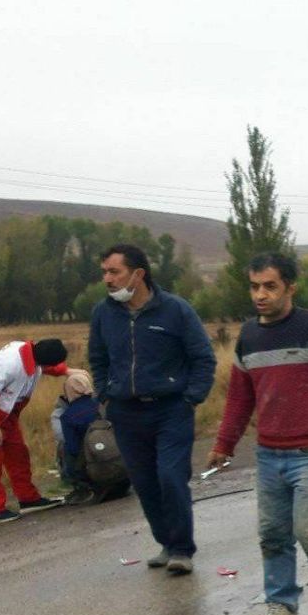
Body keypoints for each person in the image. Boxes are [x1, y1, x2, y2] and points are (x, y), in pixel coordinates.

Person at [207, 252, 308, 615]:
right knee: (273, 534)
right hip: (268, 454)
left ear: (290, 287)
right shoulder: (250, 335)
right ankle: (282, 607)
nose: (260, 294)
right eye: (254, 286)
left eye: (270, 286)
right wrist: (224, 443)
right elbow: (240, 398)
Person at [88, 243, 216, 575]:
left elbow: (203, 358)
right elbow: (98, 359)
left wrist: (192, 398)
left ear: (138, 274)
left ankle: (182, 549)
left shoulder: (175, 310)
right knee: (144, 482)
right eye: (104, 272)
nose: (107, 279)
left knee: (171, 477)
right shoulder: (104, 313)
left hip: (171, 410)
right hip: (126, 413)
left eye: (114, 271)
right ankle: (166, 542)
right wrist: (105, 396)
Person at [0, 339, 71, 523]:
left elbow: (42, 367)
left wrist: (65, 371)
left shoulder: (31, 354)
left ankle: (29, 499)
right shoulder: (9, 364)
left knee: (18, 454)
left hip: (6, 416)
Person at [51, 370, 130, 506]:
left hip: (93, 469)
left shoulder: (67, 416)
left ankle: (84, 488)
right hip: (122, 465)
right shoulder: (102, 405)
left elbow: (73, 449)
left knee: (64, 448)